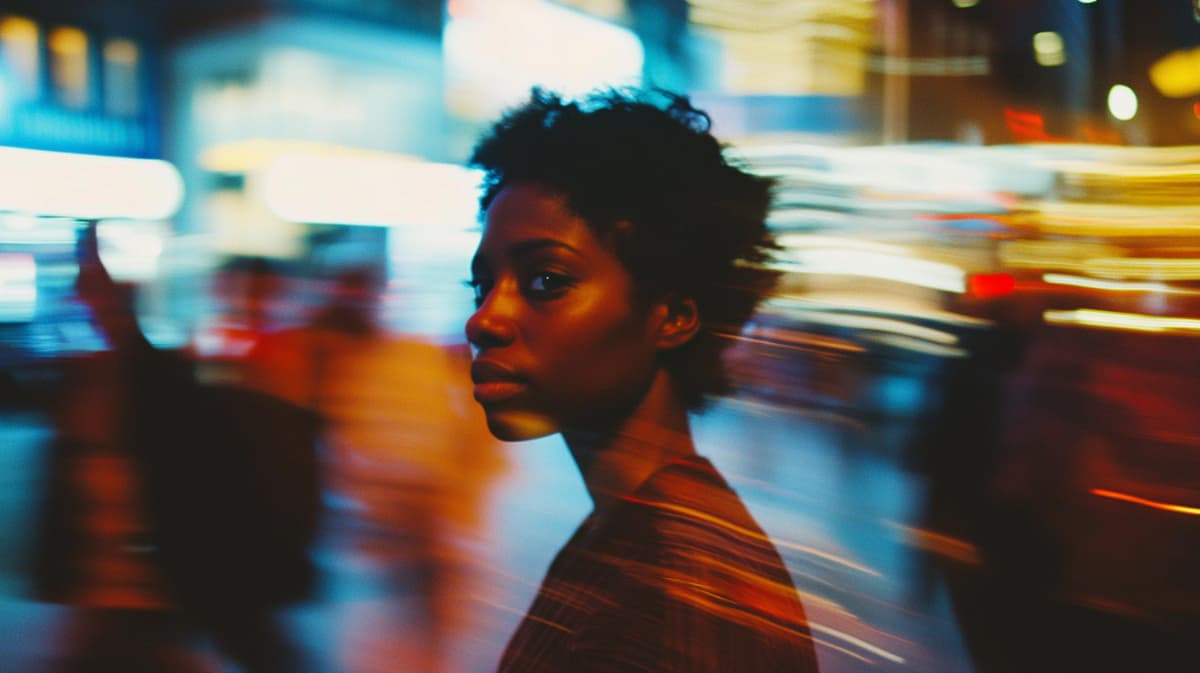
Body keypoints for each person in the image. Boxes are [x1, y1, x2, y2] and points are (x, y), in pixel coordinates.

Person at [465, 88, 820, 673]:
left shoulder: (680, 592)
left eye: (545, 280)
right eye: (482, 285)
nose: (484, 320)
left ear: (673, 316)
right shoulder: (623, 529)